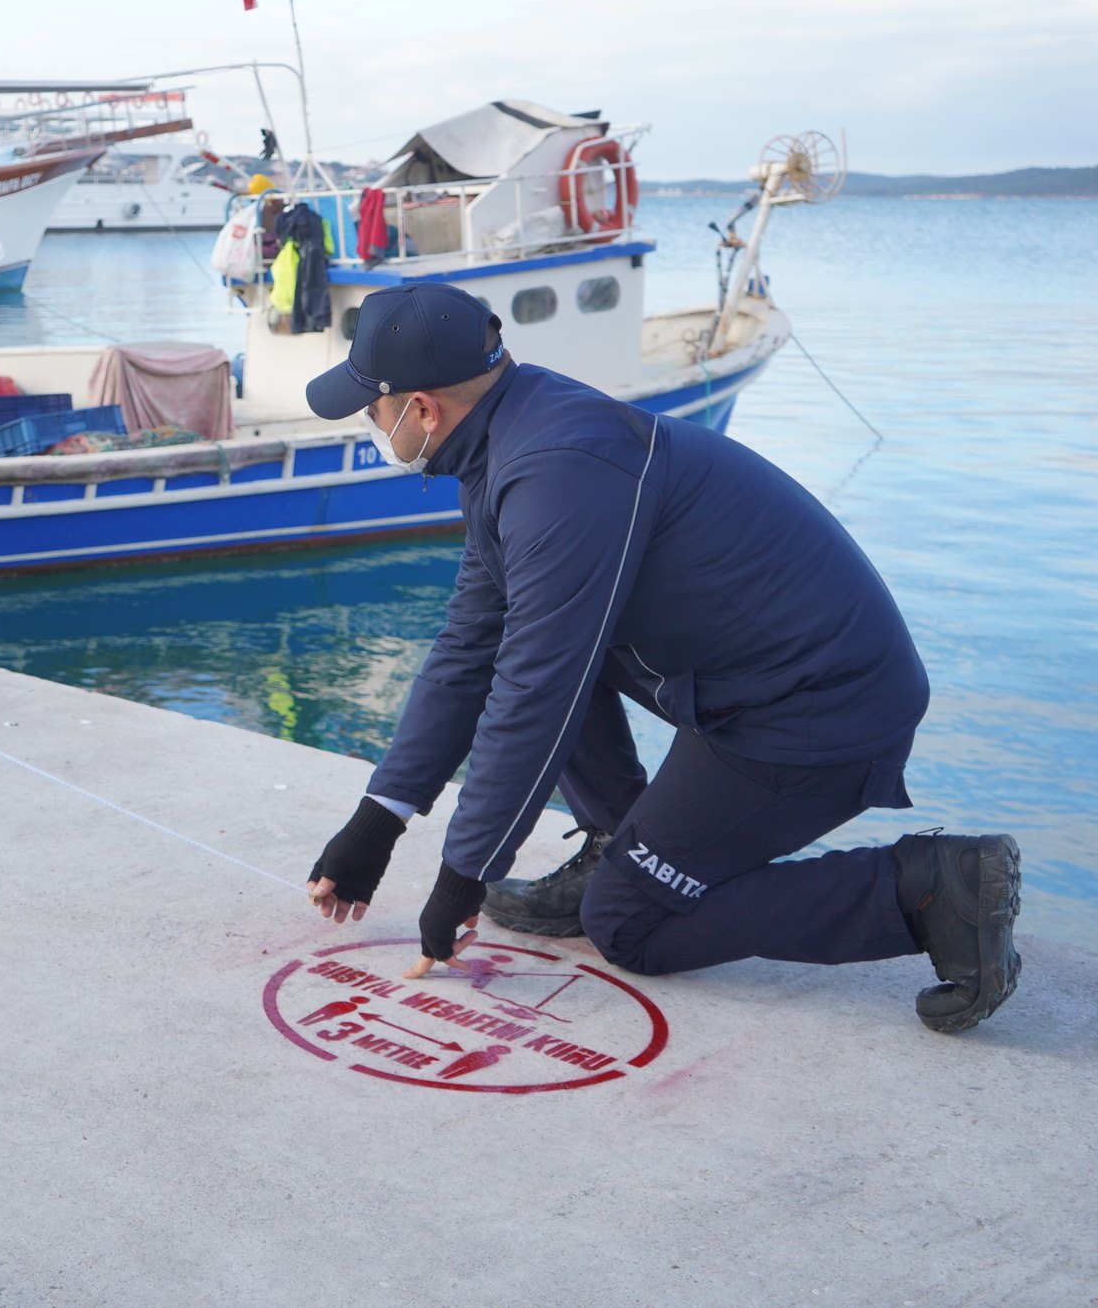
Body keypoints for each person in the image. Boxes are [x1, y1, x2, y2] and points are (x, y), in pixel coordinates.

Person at [301, 281, 1022, 1032]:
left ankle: (933, 888)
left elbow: (538, 691)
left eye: (371, 408)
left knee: (627, 923)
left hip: (819, 709)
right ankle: (622, 841)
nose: (369, 423)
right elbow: (468, 652)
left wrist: (463, 877)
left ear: (423, 409)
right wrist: (377, 821)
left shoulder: (555, 473)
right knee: (531, 644)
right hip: (757, 681)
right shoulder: (514, 438)